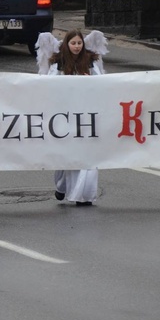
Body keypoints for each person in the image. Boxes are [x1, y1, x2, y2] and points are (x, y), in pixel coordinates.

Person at [44, 30, 103, 206]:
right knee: (67, 155)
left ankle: (84, 195)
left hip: (87, 114)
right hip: (66, 115)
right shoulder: (59, 62)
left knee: (88, 155)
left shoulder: (91, 61)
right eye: (73, 43)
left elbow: (104, 83)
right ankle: (62, 186)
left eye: (79, 43)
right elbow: (48, 85)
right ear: (67, 44)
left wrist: (90, 81)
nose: (77, 47)